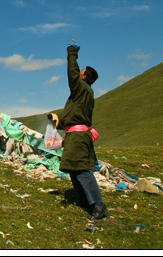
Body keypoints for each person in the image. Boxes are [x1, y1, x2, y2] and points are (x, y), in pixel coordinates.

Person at [47, 40, 106, 220]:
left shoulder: (82, 89)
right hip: (74, 135)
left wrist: (71, 52)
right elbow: (74, 116)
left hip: (79, 137)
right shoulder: (83, 95)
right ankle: (83, 201)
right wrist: (57, 122)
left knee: (82, 170)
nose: (77, 74)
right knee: (73, 168)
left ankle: (98, 204)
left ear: (83, 77)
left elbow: (72, 72)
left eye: (80, 73)